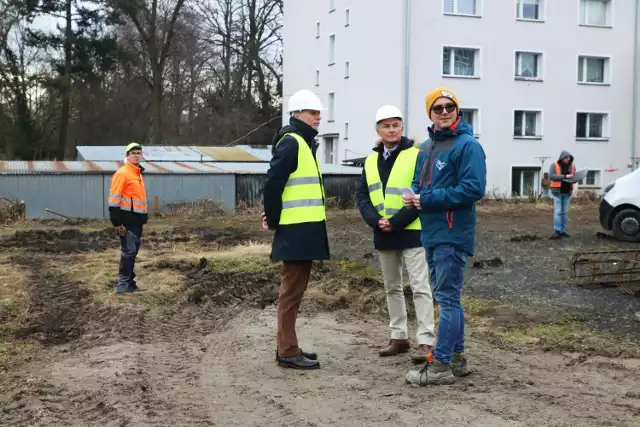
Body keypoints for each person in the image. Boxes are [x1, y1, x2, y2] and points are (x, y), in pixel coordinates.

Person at [403, 87, 486, 386]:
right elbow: (418, 184)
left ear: (458, 110)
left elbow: (473, 189)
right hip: (432, 232)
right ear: (430, 114)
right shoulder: (425, 148)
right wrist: (413, 197)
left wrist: (427, 199)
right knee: (449, 298)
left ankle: (440, 366)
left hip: (453, 233)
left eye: (449, 106)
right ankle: (458, 358)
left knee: (448, 300)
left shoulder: (468, 146)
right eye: (437, 108)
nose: (444, 111)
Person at [355, 104, 436, 363]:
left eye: (395, 125)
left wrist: (397, 221)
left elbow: (421, 192)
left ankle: (426, 340)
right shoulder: (370, 160)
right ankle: (398, 336)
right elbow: (362, 195)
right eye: (386, 126)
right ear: (378, 130)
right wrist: (375, 220)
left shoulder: (416, 155)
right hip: (383, 232)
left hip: (412, 231)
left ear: (402, 127)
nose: (391, 130)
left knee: (420, 287)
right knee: (392, 288)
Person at [262, 89, 330, 370]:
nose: (318, 118)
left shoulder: (302, 142)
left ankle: (288, 346)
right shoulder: (292, 143)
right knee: (290, 292)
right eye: (313, 113)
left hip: (304, 231)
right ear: (297, 113)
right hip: (296, 231)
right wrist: (275, 219)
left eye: (318, 114)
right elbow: (272, 183)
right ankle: (287, 350)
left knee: (294, 291)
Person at [108, 142, 148, 294]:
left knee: (133, 251)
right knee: (129, 251)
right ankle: (123, 284)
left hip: (137, 220)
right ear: (127, 156)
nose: (136, 155)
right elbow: (114, 198)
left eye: (138, 153)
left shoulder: (137, 174)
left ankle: (130, 282)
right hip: (127, 220)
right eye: (133, 153)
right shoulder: (122, 173)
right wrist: (116, 221)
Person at [548, 151, 576, 239]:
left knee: (564, 212)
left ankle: (563, 231)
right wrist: (565, 176)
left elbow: (574, 178)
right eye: (566, 157)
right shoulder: (554, 165)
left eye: (568, 158)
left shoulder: (572, 166)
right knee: (558, 212)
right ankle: (557, 231)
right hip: (557, 192)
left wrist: (575, 178)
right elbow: (551, 176)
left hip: (567, 192)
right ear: (562, 157)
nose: (567, 159)